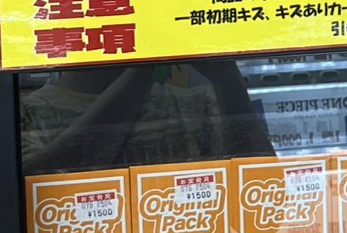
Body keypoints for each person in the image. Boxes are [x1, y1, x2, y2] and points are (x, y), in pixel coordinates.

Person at [21, 59, 275, 174]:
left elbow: (262, 214)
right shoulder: (26, 113)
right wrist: (142, 71)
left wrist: (227, 78)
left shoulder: (200, 104)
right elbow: (40, 191)